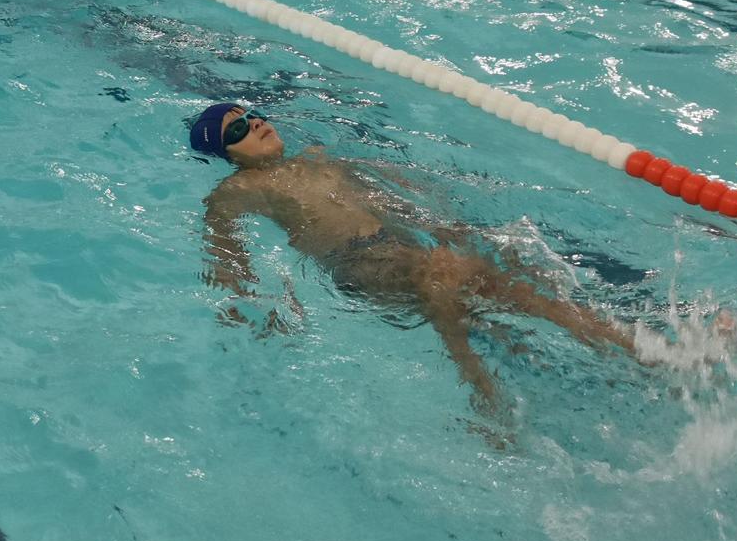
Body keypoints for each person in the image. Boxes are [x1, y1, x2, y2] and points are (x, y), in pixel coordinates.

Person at [190, 103, 644, 425]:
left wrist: (448, 223)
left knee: (512, 279)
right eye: (238, 130)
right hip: (361, 268)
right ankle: (484, 394)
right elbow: (224, 248)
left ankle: (638, 352)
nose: (255, 125)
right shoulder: (236, 192)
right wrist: (248, 299)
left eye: (253, 116)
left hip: (407, 242)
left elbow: (391, 187)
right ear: (226, 154)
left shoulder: (317, 158)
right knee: (443, 274)